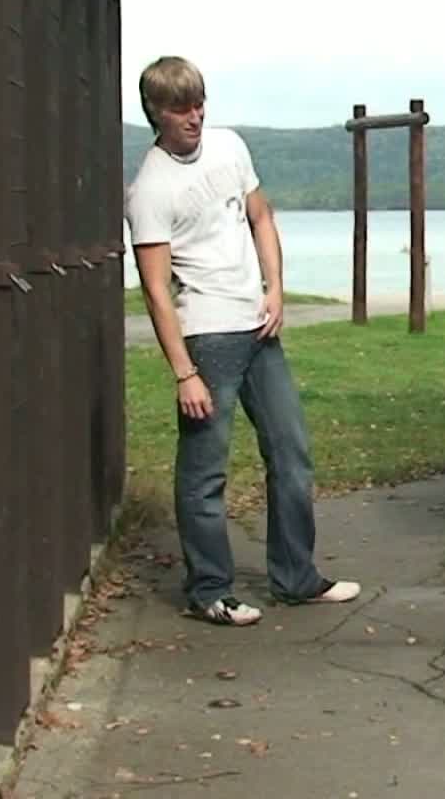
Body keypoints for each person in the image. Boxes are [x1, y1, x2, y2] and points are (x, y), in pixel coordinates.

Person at [125, 55, 360, 626]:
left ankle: (297, 577)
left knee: (291, 453)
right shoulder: (150, 190)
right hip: (208, 339)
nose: (194, 117)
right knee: (205, 472)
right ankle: (210, 590)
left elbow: (261, 217)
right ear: (156, 112)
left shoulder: (230, 147)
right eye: (181, 108)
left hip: (258, 327)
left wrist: (275, 288)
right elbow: (155, 290)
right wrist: (185, 372)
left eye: (199, 104)